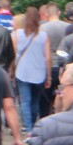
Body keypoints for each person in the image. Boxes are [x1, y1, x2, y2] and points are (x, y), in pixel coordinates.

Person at [11, 7, 51, 136]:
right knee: (35, 100)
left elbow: (14, 55)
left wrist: (11, 71)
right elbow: (48, 58)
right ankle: (32, 125)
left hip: (22, 71)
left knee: (25, 101)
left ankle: (28, 129)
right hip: (39, 72)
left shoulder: (17, 34)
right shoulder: (43, 36)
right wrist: (48, 76)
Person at [39, 3, 70, 117]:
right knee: (63, 96)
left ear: (46, 14)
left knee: (45, 99)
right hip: (64, 66)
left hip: (49, 66)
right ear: (59, 13)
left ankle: (44, 119)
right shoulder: (67, 27)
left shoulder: (43, 28)